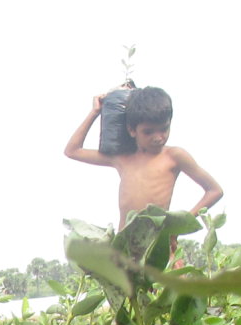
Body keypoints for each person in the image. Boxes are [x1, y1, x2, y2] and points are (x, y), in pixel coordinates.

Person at [64, 86, 223, 262]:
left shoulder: (174, 156)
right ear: (132, 130)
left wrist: (177, 227)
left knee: (172, 277)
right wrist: (95, 112)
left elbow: (214, 191)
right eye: (148, 131)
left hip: (158, 247)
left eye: (164, 129)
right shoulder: (122, 158)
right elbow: (72, 151)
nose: (158, 137)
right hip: (125, 250)